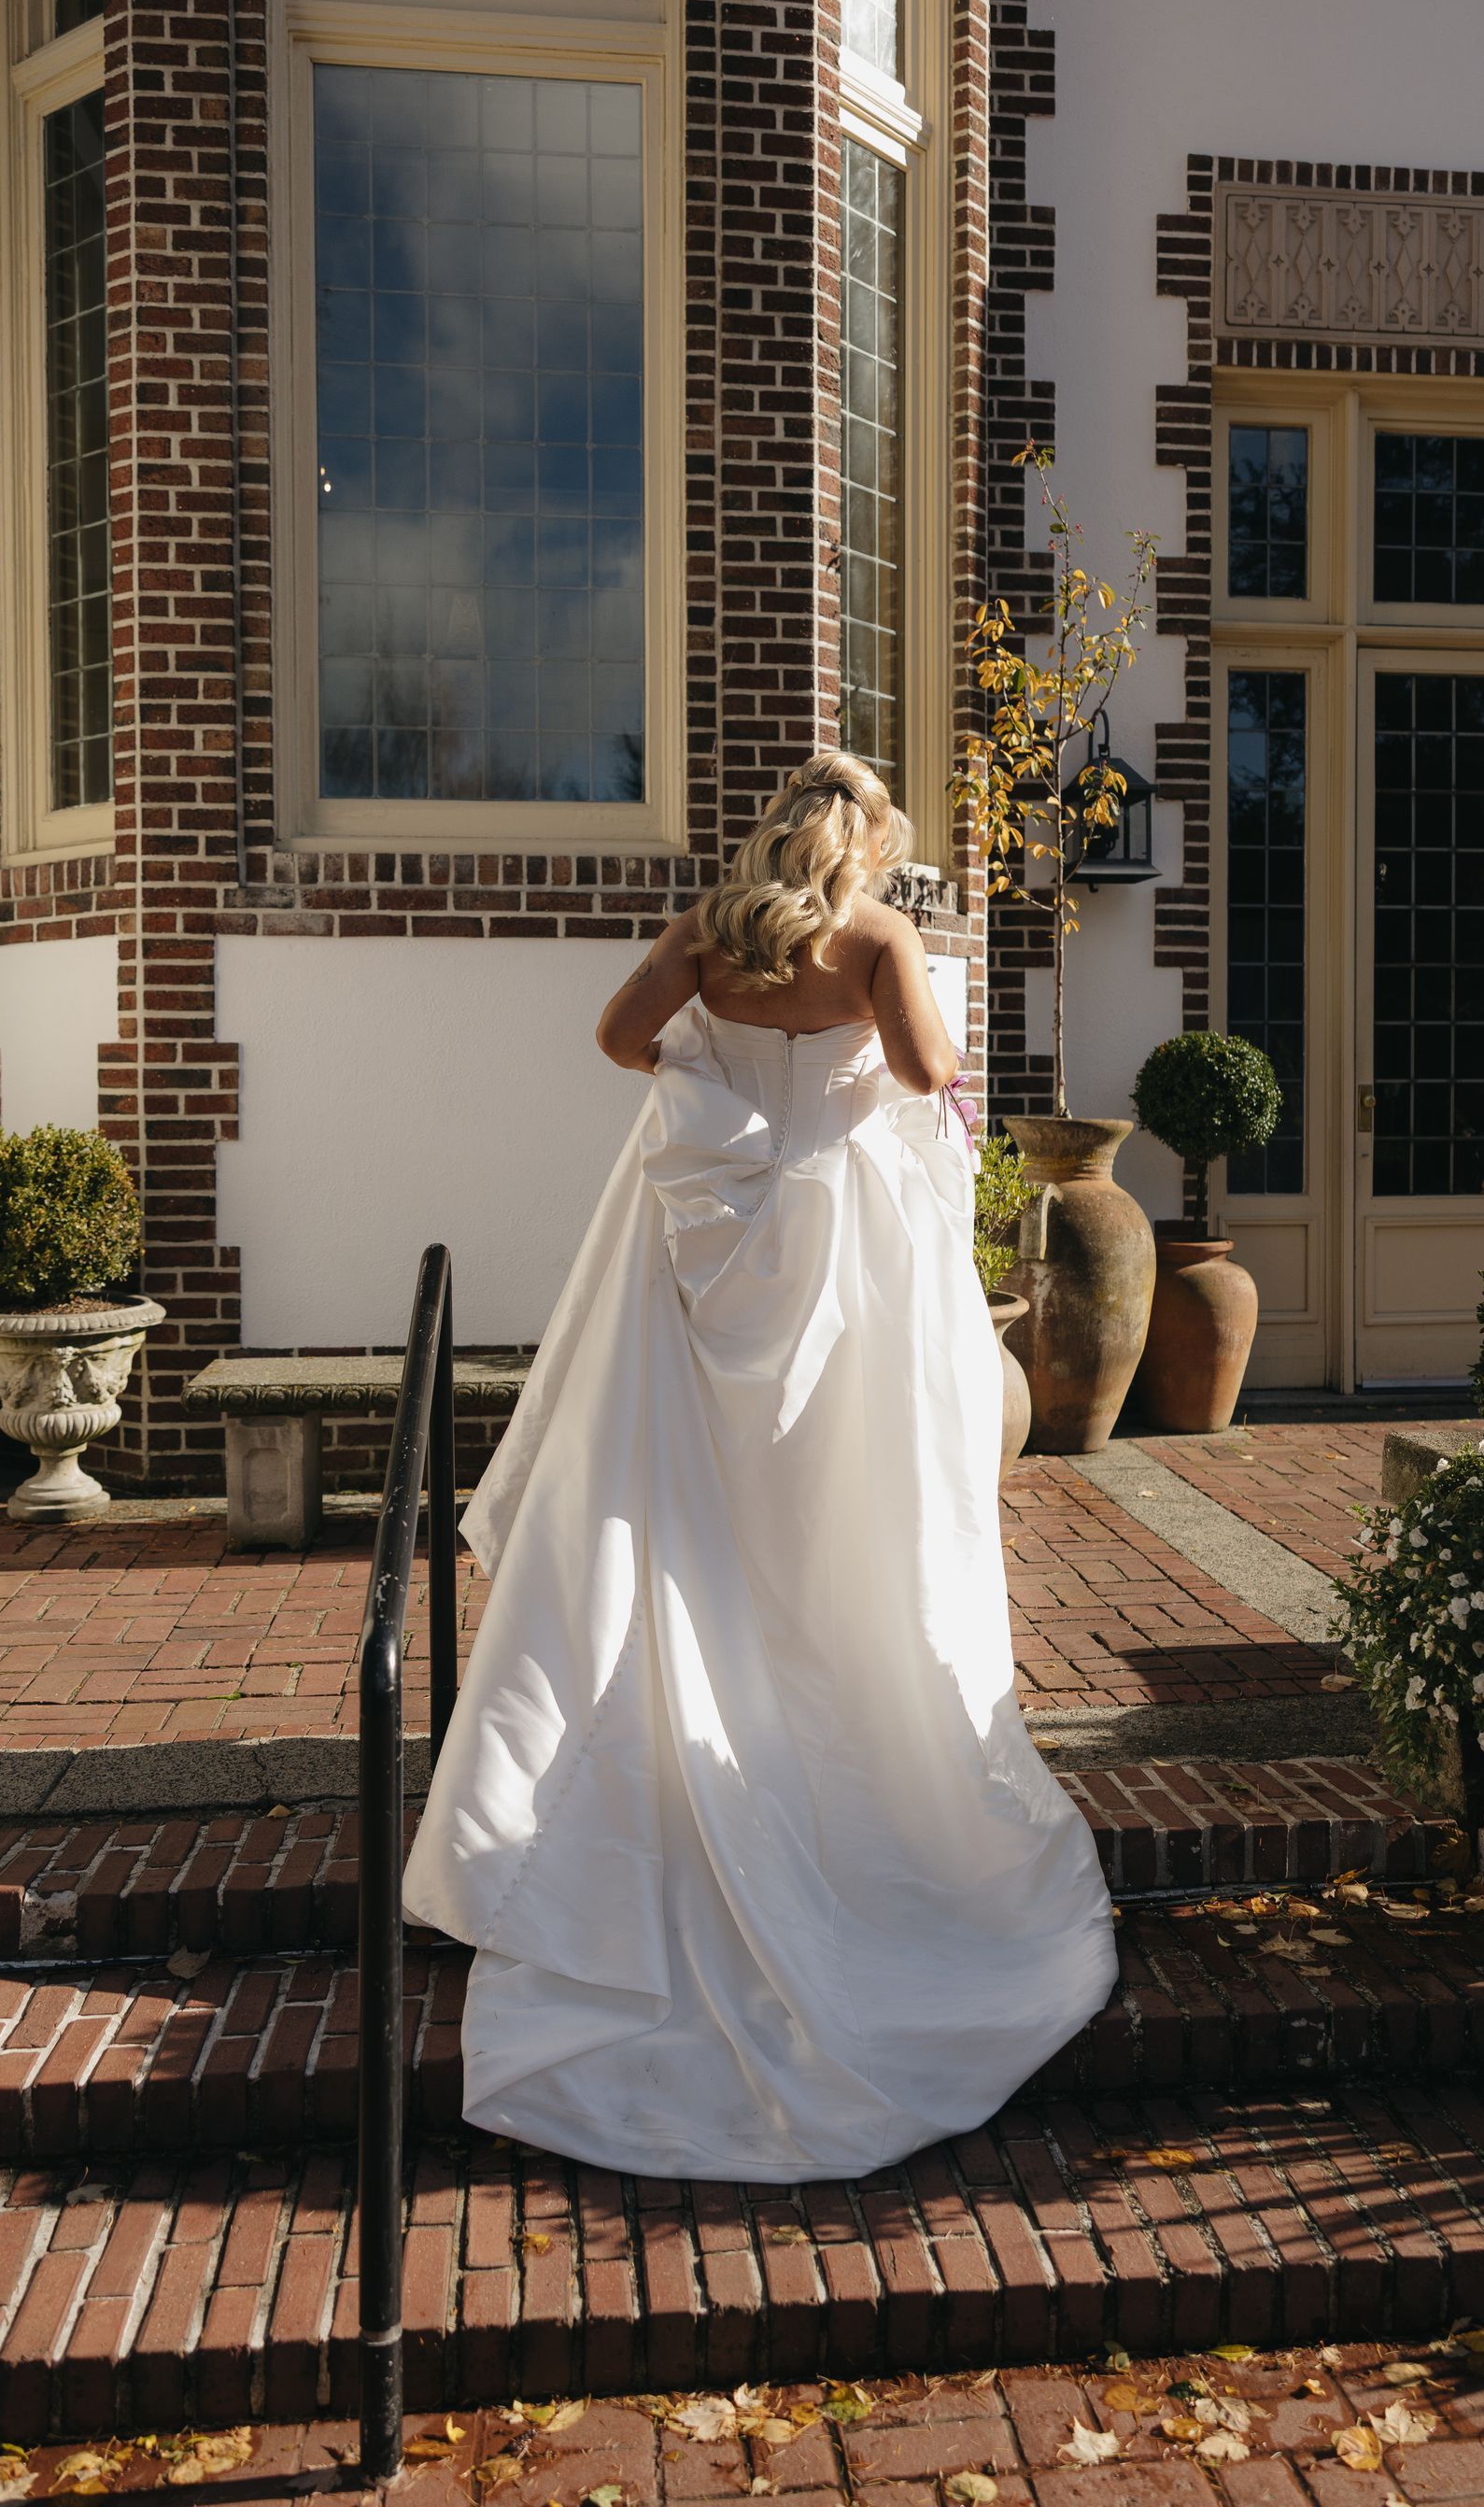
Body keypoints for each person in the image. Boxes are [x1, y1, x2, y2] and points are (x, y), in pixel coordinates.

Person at [403, 750, 1117, 2183]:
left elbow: (617, 1040)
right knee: (848, 1523)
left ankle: (589, 1811)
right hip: (840, 1272)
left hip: (702, 1258)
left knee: (675, 1520)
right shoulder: (875, 937)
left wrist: (712, 1058)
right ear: (862, 847)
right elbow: (926, 1071)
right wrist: (879, 1001)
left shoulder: (710, 931)